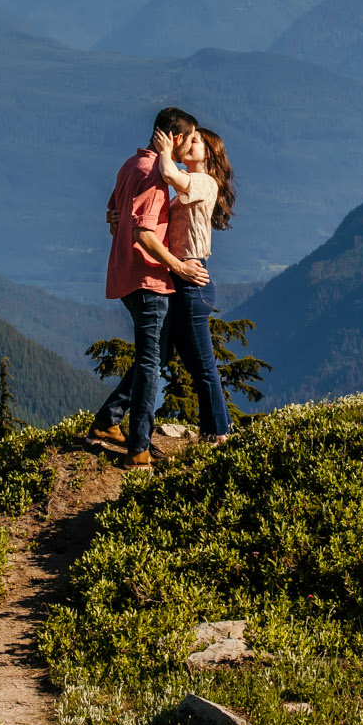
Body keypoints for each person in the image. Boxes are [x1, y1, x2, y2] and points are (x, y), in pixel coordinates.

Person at [91, 107, 207, 467]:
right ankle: (138, 447)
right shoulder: (154, 175)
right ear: (175, 139)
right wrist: (179, 267)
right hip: (150, 280)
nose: (191, 146)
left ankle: (108, 421)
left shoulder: (130, 165)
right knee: (148, 362)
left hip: (124, 275)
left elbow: (114, 218)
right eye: (189, 139)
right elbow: (143, 234)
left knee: (158, 356)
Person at [152, 123, 237, 444]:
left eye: (197, 141)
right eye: (190, 138)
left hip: (192, 282)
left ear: (208, 154)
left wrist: (164, 152)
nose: (190, 143)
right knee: (194, 362)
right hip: (185, 280)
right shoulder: (196, 185)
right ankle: (215, 430)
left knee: (202, 366)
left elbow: (171, 176)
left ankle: (218, 434)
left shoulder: (204, 182)